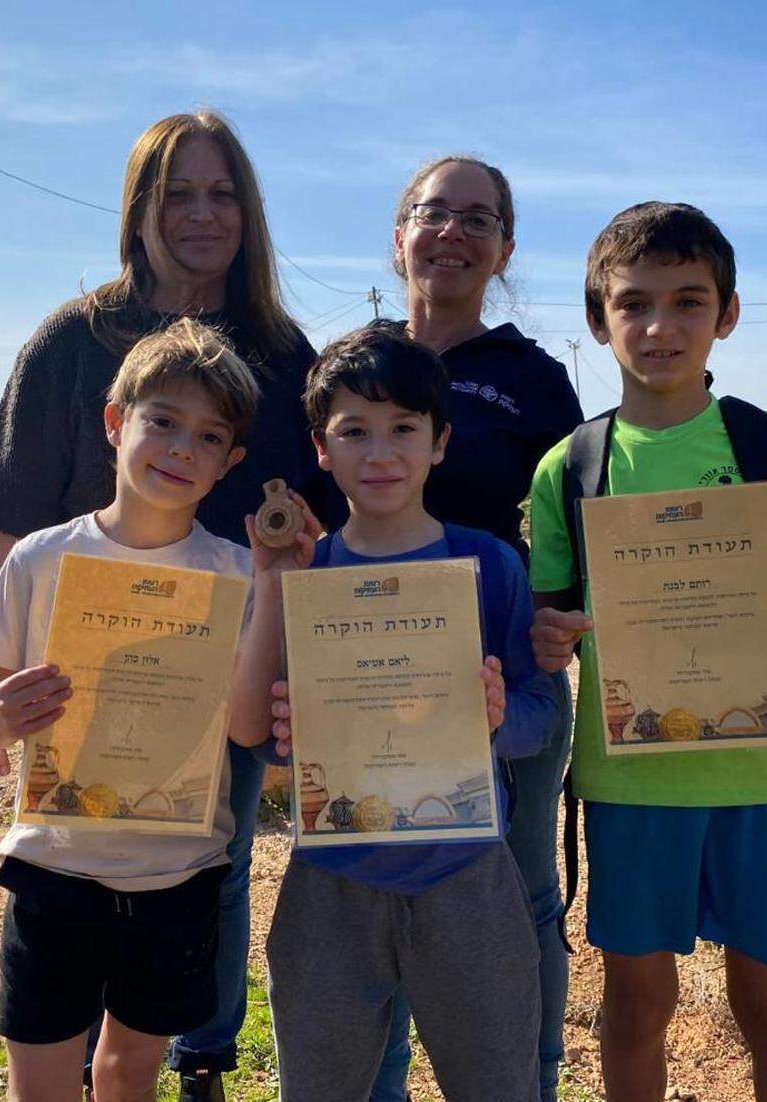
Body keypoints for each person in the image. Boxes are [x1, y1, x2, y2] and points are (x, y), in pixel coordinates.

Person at [0, 110, 337, 1102]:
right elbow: (10, 512)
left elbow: (314, 513)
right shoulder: (74, 340)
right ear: (139, 209)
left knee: (216, 856)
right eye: (179, 194)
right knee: (75, 861)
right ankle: (67, 1053)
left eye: (222, 193)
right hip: (76, 676)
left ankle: (196, 1057)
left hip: (222, 671)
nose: (202, 214)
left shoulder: (282, 352)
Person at [527, 201, 767, 1102]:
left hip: (759, 779)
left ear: (727, 313)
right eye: (633, 303)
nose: (659, 326)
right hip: (629, 785)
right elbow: (550, 625)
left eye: (688, 301)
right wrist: (548, 640)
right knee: (637, 1009)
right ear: (598, 317)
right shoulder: (570, 466)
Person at [0, 319, 317, 1102]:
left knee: (129, 1072)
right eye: (162, 421)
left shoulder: (234, 572)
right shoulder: (40, 558)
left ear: (230, 463)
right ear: (115, 422)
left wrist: (271, 585)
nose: (181, 448)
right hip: (52, 864)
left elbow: (246, 730)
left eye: (208, 435)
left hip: (178, 873)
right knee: (43, 1077)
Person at [241, 324, 559, 1101]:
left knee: (496, 1083)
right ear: (321, 447)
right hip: (331, 879)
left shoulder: (488, 563)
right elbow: (262, 741)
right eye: (354, 432)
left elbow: (541, 711)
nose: (380, 453)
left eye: (403, 430)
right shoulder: (305, 573)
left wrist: (495, 716)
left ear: (440, 442)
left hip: (468, 873)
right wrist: (288, 736)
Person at [379, 156, 584, 1102]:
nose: (451, 233)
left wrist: (559, 622)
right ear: (399, 233)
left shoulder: (533, 379)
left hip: (501, 677)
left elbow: (578, 528)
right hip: (370, 678)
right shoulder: (356, 361)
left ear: (505, 248)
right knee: (368, 883)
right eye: (432, 213)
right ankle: (373, 1081)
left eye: (476, 219)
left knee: (524, 891)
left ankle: (530, 1077)